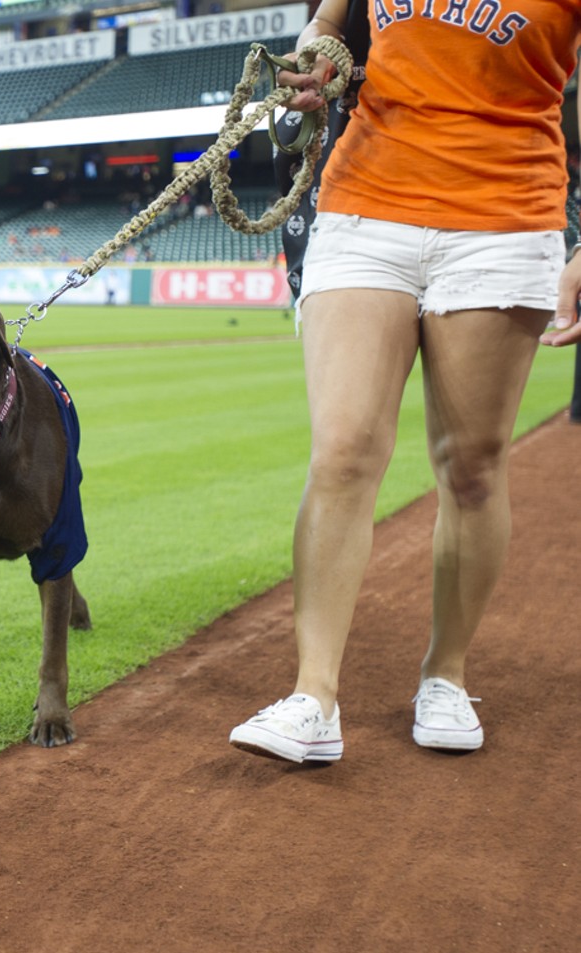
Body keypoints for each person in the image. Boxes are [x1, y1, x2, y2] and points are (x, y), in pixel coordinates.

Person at [228, 0, 581, 764]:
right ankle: (313, 696)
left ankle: (445, 677)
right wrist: (313, 61)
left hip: (505, 217)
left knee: (473, 467)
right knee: (344, 450)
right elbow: (327, 24)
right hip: (366, 205)